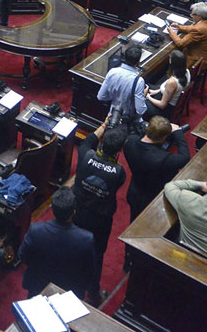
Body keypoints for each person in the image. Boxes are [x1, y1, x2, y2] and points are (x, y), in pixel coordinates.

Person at [69, 122, 128, 303]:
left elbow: (88, 140)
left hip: (78, 212)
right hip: (100, 220)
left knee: (75, 246)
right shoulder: (119, 172)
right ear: (118, 151)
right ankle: (93, 293)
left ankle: (71, 283)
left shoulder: (86, 155)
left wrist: (103, 125)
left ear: (102, 143)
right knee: (97, 254)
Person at [18, 187, 98, 298]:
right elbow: (89, 273)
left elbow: (22, 256)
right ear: (74, 211)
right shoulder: (86, 239)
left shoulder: (35, 230)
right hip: (68, 294)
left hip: (38, 288)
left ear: (53, 210)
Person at [124, 116, 190, 219]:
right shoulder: (162, 158)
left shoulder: (130, 142)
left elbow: (141, 140)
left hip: (135, 191)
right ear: (163, 138)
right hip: (154, 197)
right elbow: (185, 158)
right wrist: (178, 133)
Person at [96, 44, 147, 126]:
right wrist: (144, 95)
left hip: (112, 117)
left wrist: (115, 96)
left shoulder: (112, 72)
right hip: (129, 123)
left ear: (124, 57)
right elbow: (141, 110)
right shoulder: (139, 81)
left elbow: (101, 97)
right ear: (138, 61)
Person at [146, 50, 189, 119]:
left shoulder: (172, 82)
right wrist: (155, 91)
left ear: (172, 62)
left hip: (163, 110)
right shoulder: (186, 72)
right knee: (145, 85)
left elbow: (162, 105)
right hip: (164, 96)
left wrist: (148, 97)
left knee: (138, 100)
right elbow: (167, 90)